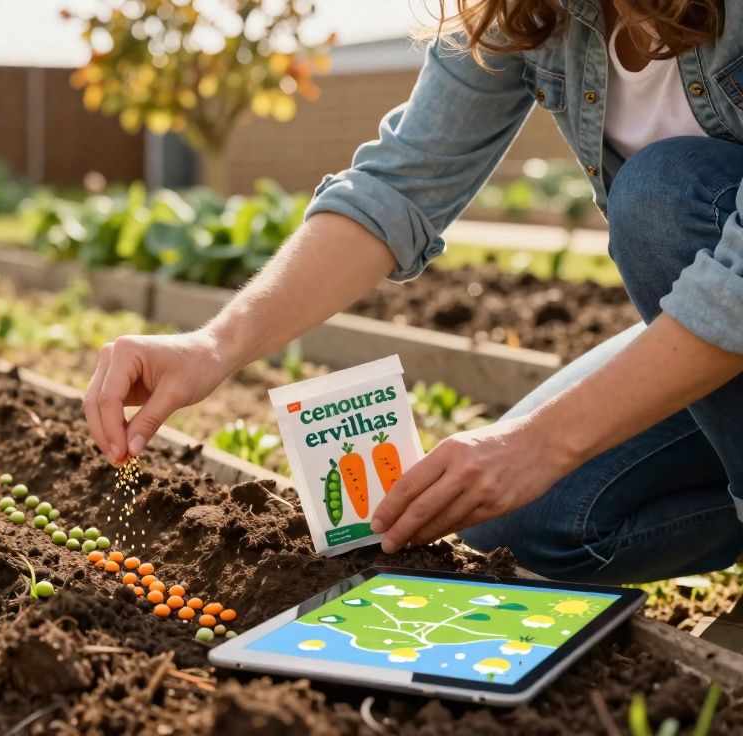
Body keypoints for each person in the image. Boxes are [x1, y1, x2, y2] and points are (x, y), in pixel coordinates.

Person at [82, 0, 743, 585]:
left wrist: (545, 441)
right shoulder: (528, 12)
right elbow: (397, 187)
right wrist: (211, 346)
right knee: (515, 520)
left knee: (661, 195)